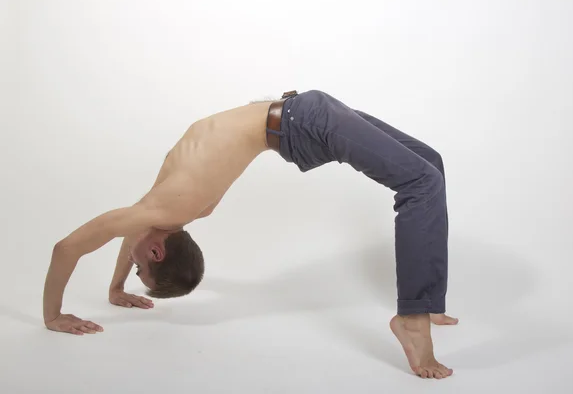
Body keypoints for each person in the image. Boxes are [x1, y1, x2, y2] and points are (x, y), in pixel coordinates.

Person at [43, 89, 458, 379]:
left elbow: (69, 248)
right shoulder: (167, 207)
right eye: (137, 269)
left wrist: (53, 316)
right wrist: (116, 289)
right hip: (304, 117)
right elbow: (131, 236)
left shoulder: (168, 207)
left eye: (134, 269)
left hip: (302, 118)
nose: (130, 262)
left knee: (425, 170)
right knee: (424, 175)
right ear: (157, 249)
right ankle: (418, 313)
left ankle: (420, 310)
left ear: (155, 252)